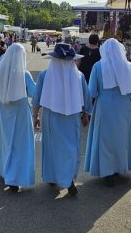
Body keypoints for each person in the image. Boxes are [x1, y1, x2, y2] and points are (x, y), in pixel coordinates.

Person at [33, 43, 92, 195]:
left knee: (52, 147)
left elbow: (37, 99)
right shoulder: (79, 76)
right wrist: (86, 115)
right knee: (71, 148)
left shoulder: (45, 75)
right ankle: (68, 179)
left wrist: (35, 116)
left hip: (51, 117)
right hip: (72, 117)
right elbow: (86, 99)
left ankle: (52, 177)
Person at [84, 38, 131, 187]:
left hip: (104, 108)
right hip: (124, 108)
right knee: (121, 139)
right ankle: (118, 167)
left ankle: (107, 170)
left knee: (105, 140)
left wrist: (86, 111)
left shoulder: (98, 66)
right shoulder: (128, 66)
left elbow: (91, 92)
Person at [0, 43, 36, 192]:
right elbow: (33, 93)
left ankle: (4, 171)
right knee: (20, 144)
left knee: (6, 140)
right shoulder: (25, 74)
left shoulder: (1, 70)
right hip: (21, 110)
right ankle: (15, 177)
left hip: (4, 108)